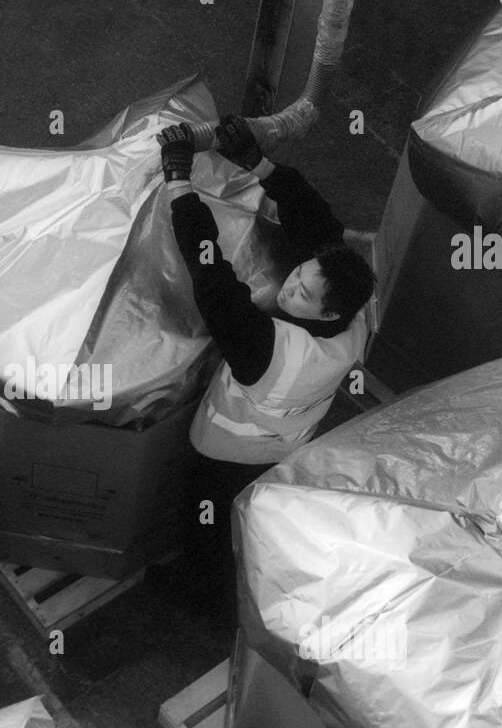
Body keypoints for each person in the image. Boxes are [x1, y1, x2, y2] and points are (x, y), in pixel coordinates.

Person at [158, 116, 375, 577]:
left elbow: (209, 270)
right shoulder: (354, 304)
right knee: (241, 513)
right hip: (285, 446)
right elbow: (316, 219)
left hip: (228, 453)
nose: (289, 286)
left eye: (300, 293)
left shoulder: (267, 350)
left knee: (206, 519)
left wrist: (178, 184)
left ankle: (199, 588)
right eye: (298, 274)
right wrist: (260, 166)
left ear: (329, 313)